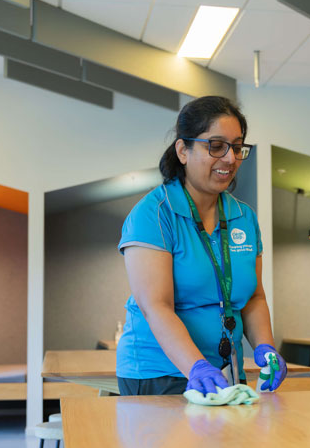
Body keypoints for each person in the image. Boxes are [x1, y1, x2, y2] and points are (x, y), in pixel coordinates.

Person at [115, 96, 288, 396]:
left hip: (225, 369)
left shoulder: (243, 217)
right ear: (183, 150)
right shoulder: (154, 214)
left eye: (236, 147)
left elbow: (254, 298)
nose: (231, 158)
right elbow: (156, 306)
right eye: (216, 146)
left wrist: (266, 347)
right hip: (161, 371)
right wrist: (196, 366)